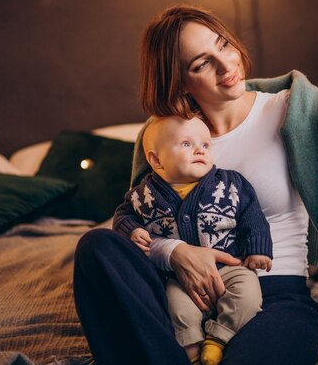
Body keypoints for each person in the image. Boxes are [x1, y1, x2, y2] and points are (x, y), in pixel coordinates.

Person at [73, 0, 318, 365]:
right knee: (97, 246)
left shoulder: (290, 109)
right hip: (180, 293)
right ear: (179, 82)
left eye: (224, 45)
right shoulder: (163, 137)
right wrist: (175, 251)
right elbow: (141, 226)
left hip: (274, 296)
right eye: (201, 63)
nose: (225, 64)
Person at [112, 115, 273, 365]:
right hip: (178, 277)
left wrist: (258, 250)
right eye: (186, 144)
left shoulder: (231, 184)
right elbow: (122, 215)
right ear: (155, 160)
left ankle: (219, 338)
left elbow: (253, 217)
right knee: (176, 308)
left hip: (230, 267)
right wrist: (132, 230)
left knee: (249, 297)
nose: (200, 149)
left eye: (206, 145)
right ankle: (192, 349)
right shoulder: (143, 194)